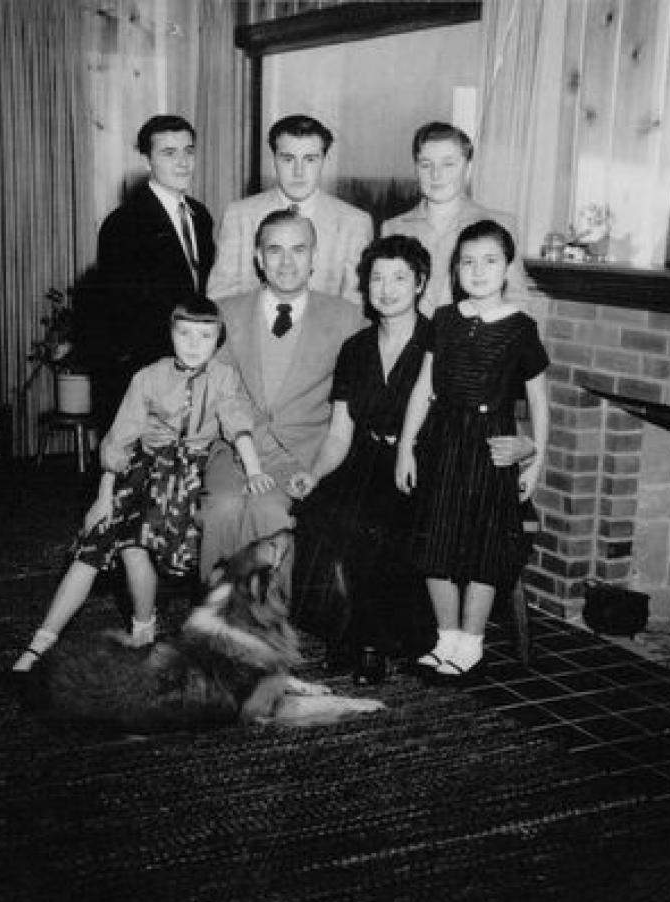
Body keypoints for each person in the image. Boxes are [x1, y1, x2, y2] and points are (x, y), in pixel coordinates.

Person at [12, 297, 273, 673]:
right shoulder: (148, 377)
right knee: (99, 542)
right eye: (185, 333)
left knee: (139, 543)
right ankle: (41, 644)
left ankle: (144, 633)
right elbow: (120, 440)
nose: (194, 344)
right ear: (171, 334)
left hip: (189, 477)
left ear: (219, 340)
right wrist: (104, 496)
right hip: (141, 471)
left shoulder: (224, 377)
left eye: (205, 335)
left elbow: (237, 425)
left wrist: (254, 470)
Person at [395, 219, 549, 682]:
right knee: (435, 544)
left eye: (489, 261)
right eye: (467, 262)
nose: (478, 271)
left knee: (484, 550)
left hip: (492, 448)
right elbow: (423, 388)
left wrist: (534, 459)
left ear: (507, 268)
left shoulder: (521, 329)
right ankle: (446, 638)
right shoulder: (443, 320)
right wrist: (406, 448)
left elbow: (539, 402)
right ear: (455, 269)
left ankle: (472, 643)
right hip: (442, 442)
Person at [287, 235, 435, 684]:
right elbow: (339, 433)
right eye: (377, 278)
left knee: (377, 520)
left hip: (420, 463)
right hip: (366, 455)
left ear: (420, 283)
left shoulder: (437, 341)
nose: (386, 289)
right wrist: (314, 473)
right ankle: (345, 626)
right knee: (319, 509)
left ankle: (369, 642)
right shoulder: (355, 348)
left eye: (399, 278)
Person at [200, 208, 365, 581]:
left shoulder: (347, 318)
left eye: (298, 250)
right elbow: (219, 393)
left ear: (313, 257)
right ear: (259, 258)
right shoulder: (227, 312)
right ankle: (216, 608)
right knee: (221, 510)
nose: (287, 262)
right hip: (236, 450)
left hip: (301, 454)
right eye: (275, 250)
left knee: (269, 512)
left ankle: (266, 611)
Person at [78, 114, 216, 433]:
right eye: (169, 153)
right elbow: (122, 316)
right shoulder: (123, 224)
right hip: (148, 372)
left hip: (194, 364)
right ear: (147, 160)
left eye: (189, 151)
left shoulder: (200, 216)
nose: (183, 163)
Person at [208, 115, 373, 305]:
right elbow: (220, 300)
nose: (298, 172)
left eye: (310, 159)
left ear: (324, 160)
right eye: (288, 159)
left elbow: (355, 307)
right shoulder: (239, 216)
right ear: (274, 159)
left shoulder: (354, 223)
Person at [381, 122, 518, 313]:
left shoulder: (499, 224)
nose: (436, 175)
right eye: (426, 165)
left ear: (467, 167)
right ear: (416, 169)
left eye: (448, 164)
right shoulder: (394, 228)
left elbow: (517, 300)